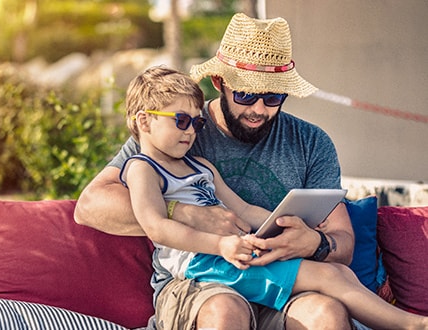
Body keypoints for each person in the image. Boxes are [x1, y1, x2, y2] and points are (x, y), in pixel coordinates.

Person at [75, 13, 358, 329]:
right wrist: (185, 212)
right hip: (199, 282)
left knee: (327, 315)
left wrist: (315, 243)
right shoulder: (180, 127)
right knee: (224, 312)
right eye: (246, 95)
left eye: (273, 97)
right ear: (219, 83)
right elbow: (91, 206)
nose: (259, 110)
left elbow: (343, 242)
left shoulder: (311, 142)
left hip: (279, 279)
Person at [119, 66, 428, 330]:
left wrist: (283, 228)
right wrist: (217, 240)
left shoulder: (201, 165)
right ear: (219, 82)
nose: (191, 133)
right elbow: (154, 226)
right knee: (320, 278)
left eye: (272, 98)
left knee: (336, 279)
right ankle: (412, 324)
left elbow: (243, 209)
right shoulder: (143, 167)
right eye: (181, 122)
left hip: (240, 255)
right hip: (205, 265)